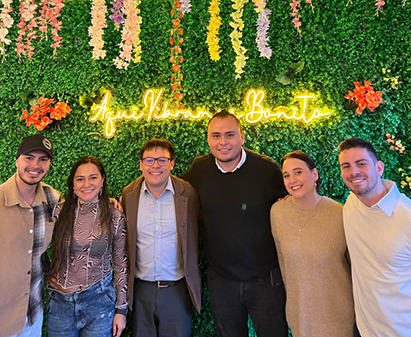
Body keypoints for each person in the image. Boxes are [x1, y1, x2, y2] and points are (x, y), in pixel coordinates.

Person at [182, 110, 288, 337]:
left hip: (265, 279)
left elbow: (293, 202)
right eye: (216, 136)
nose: (223, 142)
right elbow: (173, 193)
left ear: (242, 136)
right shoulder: (199, 170)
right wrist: (124, 198)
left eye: (230, 135)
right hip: (222, 280)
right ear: (208, 139)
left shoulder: (266, 170)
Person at [0, 134, 59, 337]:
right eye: (29, 157)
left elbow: (82, 206)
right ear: (17, 160)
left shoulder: (52, 199)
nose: (35, 165)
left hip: (34, 315)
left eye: (43, 159)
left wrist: (108, 202)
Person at [121, 138, 201, 337]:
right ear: (141, 164)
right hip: (140, 291)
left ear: (172, 163)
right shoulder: (128, 195)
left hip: (176, 290)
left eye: (162, 160)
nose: (155, 165)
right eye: (149, 160)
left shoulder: (188, 193)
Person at [270, 151, 354, 337]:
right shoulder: (277, 212)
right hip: (299, 314)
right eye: (286, 175)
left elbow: (354, 266)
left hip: (337, 313)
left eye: (298, 172)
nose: (292, 180)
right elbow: (284, 265)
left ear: (314, 174)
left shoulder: (339, 213)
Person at [47, 156, 128, 337]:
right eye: (80, 179)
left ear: (102, 180)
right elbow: (34, 245)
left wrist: (121, 310)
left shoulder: (115, 216)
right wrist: (46, 272)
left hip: (99, 303)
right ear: (73, 185)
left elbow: (121, 265)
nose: (86, 184)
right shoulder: (58, 212)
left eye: (93, 177)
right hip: (61, 304)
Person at [339, 137, 411, 337]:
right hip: (364, 329)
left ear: (379, 168)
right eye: (346, 166)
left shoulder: (407, 217)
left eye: (361, 164)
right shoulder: (351, 203)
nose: (353, 172)